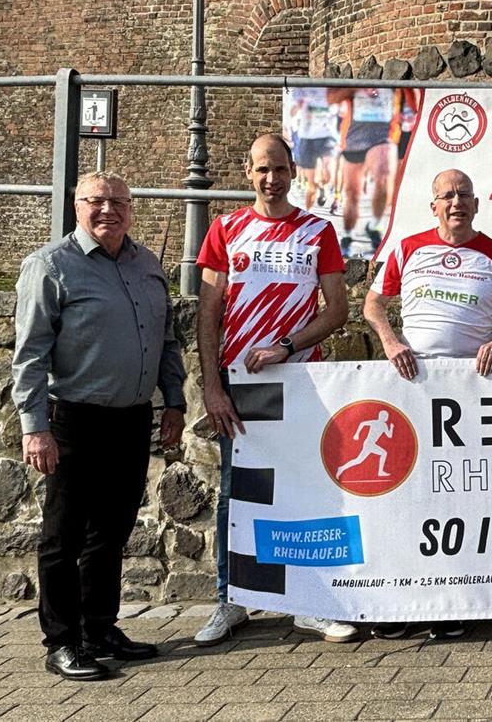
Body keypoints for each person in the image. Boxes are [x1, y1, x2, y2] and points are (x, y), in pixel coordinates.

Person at [13, 172, 187, 680]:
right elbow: (29, 357)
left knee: (111, 532)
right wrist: (34, 427)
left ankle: (100, 628)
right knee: (63, 536)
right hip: (74, 419)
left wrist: (173, 401)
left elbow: (167, 341)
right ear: (76, 206)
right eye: (97, 201)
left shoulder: (147, 264)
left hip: (131, 419)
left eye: (119, 202)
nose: (108, 209)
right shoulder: (50, 267)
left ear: (132, 209)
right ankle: (62, 642)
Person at [364, 168, 492, 639]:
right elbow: (373, 303)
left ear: (477, 205)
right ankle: (405, 602)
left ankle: (457, 599)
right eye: (447, 195)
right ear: (434, 206)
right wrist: (389, 340)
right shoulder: (408, 247)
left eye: (464, 195)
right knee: (409, 494)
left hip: (471, 394)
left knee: (463, 495)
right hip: (414, 386)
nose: (456, 202)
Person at [194, 134, 354, 647]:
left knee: (307, 489)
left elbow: (337, 310)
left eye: (280, 169)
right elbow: (208, 313)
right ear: (247, 171)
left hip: (302, 380)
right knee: (237, 495)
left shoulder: (317, 231)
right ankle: (232, 598)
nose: (271, 178)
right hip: (239, 385)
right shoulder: (225, 229)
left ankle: (307, 602)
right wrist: (212, 386)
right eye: (262, 169)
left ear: (293, 172)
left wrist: (287, 345)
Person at [327, 87, 398, 254]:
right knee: (352, 192)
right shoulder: (355, 83)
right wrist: (357, 87)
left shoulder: (395, 83)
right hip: (354, 141)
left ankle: (374, 225)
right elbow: (330, 97)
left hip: (382, 138)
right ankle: (348, 233)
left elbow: (416, 99)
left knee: (383, 177)